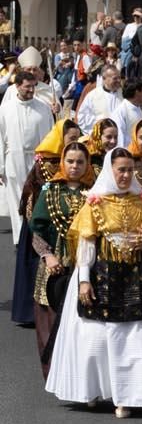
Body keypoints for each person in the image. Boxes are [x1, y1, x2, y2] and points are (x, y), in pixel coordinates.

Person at [46, 148, 142, 418]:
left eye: (129, 170)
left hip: (137, 276)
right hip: (104, 275)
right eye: (120, 170)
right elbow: (87, 244)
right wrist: (84, 281)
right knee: (96, 337)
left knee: (134, 336)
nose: (125, 175)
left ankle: (128, 397)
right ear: (110, 171)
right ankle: (92, 390)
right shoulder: (96, 203)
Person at [28, 139, 94, 372]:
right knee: (51, 317)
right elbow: (36, 228)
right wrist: (48, 256)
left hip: (87, 261)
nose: (75, 166)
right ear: (63, 162)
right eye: (70, 161)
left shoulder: (96, 192)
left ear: (87, 164)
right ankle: (56, 372)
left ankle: (83, 375)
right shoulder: (51, 190)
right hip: (55, 260)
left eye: (80, 162)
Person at [12, 117, 81, 329]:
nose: (75, 142)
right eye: (70, 138)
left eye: (77, 138)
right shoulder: (47, 162)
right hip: (44, 219)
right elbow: (36, 192)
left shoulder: (75, 161)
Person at [0, 68, 54, 241]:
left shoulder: (43, 108)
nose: (31, 90)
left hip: (36, 159)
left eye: (33, 86)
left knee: (35, 198)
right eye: (27, 87)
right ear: (17, 86)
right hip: (13, 157)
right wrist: (0, 167)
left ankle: (34, 237)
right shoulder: (5, 109)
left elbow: (50, 136)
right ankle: (19, 239)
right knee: (16, 199)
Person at [76, 64, 122, 135]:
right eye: (115, 78)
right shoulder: (93, 96)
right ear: (104, 78)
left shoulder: (124, 94)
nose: (119, 81)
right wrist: (100, 120)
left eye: (119, 77)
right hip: (101, 138)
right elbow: (82, 118)